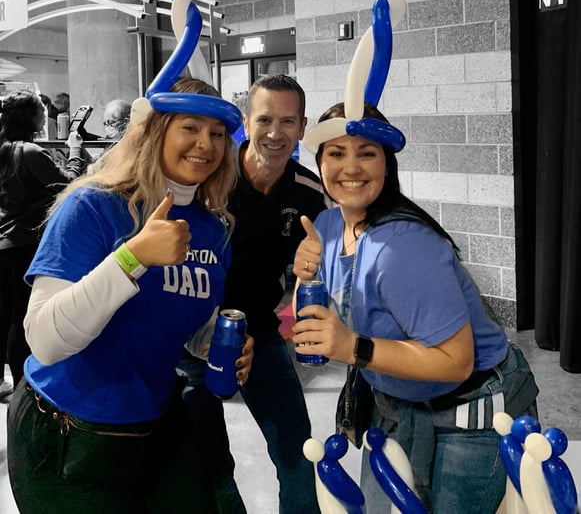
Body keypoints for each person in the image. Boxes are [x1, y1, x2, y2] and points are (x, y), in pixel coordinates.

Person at [7, 77, 253, 513]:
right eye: (190, 127)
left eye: (217, 133)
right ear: (156, 130)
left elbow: (185, 327)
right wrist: (133, 257)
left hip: (153, 423)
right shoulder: (93, 205)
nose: (206, 144)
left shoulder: (214, 229)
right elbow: (44, 340)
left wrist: (216, 341)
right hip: (68, 432)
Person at [292, 101, 539, 514]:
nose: (350, 167)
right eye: (336, 153)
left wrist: (354, 347)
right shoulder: (328, 226)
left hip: (471, 407)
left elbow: (456, 362)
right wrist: (305, 275)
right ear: (320, 163)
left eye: (366, 153)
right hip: (393, 403)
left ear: (386, 165)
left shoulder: (405, 246)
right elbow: (318, 315)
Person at [180, 73, 327, 514]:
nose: (275, 133)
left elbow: (320, 264)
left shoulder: (309, 194)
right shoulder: (207, 181)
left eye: (288, 121)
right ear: (246, 122)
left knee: (299, 455)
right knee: (210, 464)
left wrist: (311, 274)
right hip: (188, 338)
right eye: (265, 119)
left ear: (302, 127)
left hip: (259, 334)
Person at [0, 90, 88, 395]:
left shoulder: (5, 149)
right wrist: (75, 151)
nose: (45, 115)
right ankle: (24, 387)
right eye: (40, 110)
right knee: (21, 317)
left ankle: (5, 381)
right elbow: (66, 184)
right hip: (24, 242)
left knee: (6, 314)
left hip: (4, 241)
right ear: (31, 117)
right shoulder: (30, 153)